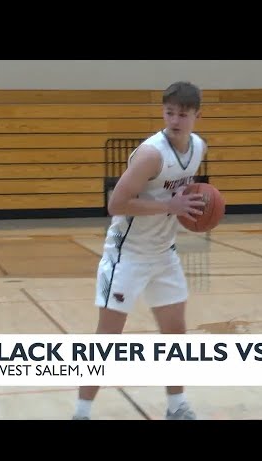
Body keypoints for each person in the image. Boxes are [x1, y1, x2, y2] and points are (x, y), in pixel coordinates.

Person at [72, 81, 207, 420]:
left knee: (176, 333)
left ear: (196, 116)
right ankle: (81, 412)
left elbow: (180, 190)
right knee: (108, 339)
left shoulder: (199, 148)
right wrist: (170, 206)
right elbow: (115, 204)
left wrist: (193, 204)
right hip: (126, 256)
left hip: (164, 253)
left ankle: (177, 406)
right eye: (169, 113)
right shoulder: (151, 153)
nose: (175, 120)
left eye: (183, 114)